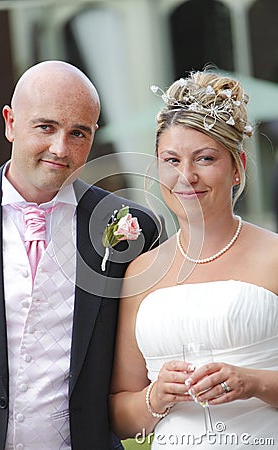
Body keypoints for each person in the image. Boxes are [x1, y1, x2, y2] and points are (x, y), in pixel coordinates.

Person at [0, 60, 165, 450]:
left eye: (78, 133)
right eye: (45, 127)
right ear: (11, 122)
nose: (60, 148)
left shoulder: (132, 228)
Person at [109, 69, 278, 449]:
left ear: (238, 168)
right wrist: (155, 399)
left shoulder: (274, 257)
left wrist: (254, 382)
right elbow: (120, 415)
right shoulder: (141, 273)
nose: (186, 176)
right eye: (171, 160)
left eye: (204, 159)